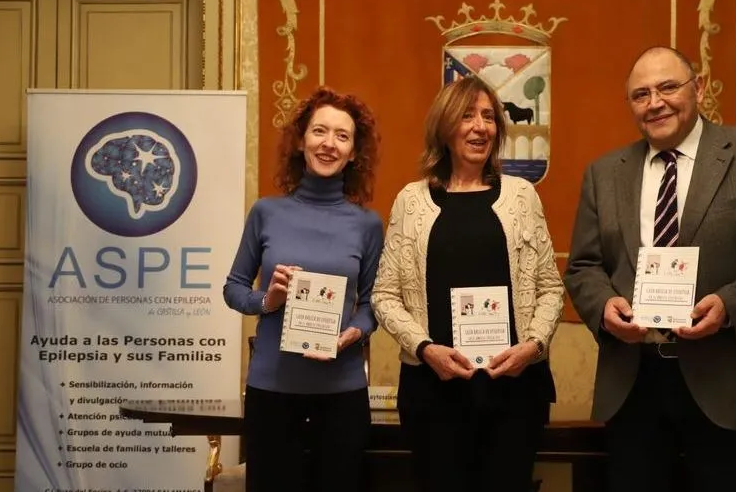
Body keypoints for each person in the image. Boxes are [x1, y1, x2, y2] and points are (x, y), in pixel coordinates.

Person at [564, 46, 736, 492]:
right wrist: (603, 306)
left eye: (668, 87)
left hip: (728, 383)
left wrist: (729, 304)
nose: (655, 103)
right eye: (641, 94)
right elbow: (584, 266)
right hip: (635, 384)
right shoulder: (604, 173)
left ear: (698, 88)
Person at [371, 75, 564, 492]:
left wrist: (533, 346)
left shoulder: (522, 196)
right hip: (432, 391)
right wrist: (425, 349)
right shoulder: (410, 200)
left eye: (489, 117)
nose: (480, 127)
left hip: (514, 391)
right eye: (467, 116)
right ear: (444, 126)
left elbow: (551, 288)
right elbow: (384, 295)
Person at [222, 86, 384, 492]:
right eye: (319, 131)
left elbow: (372, 304)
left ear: (354, 152)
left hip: (342, 394)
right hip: (272, 392)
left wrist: (355, 332)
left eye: (342, 136)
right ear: (300, 140)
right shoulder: (266, 212)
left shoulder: (367, 224)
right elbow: (234, 288)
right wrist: (268, 300)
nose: (329, 144)